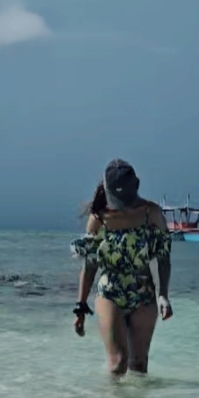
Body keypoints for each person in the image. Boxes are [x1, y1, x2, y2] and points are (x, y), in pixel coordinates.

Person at [72, 159, 173, 375]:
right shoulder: (99, 217)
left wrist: (163, 295)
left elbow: (163, 257)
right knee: (117, 364)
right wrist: (80, 305)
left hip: (144, 292)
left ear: (136, 185)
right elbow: (90, 266)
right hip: (110, 291)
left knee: (138, 365)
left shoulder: (151, 213)